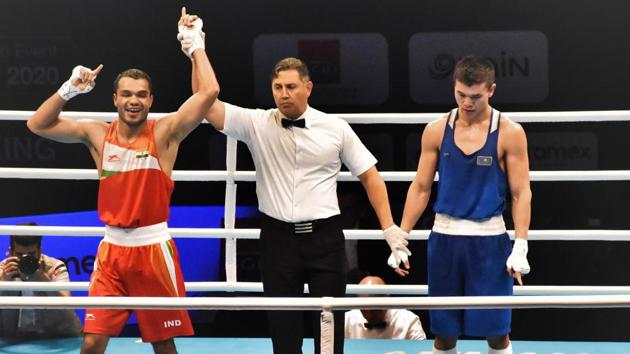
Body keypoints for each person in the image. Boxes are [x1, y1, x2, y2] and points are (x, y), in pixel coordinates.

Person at [26, 8, 219, 354]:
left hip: (153, 252)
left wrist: (194, 45)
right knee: (91, 344)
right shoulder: (96, 134)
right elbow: (37, 124)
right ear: (115, 98)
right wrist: (69, 89)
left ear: (150, 100)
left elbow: (209, 93)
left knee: (163, 345)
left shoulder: (165, 133)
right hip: (111, 252)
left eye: (141, 94)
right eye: (126, 94)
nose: (133, 101)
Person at [188, 55, 410, 354]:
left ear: (308, 87)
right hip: (277, 240)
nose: (283, 93)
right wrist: (196, 51)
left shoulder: (335, 127)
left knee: (329, 326)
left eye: (291, 86)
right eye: (277, 87)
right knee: (283, 330)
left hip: (325, 238)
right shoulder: (257, 122)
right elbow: (205, 102)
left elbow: (370, 176)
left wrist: (390, 229)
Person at [396, 55, 532, 354]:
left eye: (475, 96)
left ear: (491, 90)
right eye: (461, 95)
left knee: (497, 333)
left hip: (490, 242)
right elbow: (420, 187)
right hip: (444, 240)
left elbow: (521, 191)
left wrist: (520, 243)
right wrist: (401, 236)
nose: (467, 102)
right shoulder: (435, 129)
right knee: (445, 335)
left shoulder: (509, 132)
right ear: (454, 87)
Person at [0, 223, 83, 338]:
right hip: (13, 340)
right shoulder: (2, 270)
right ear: (10, 252)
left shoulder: (55, 267)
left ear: (40, 250)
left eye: (31, 254)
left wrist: (43, 280)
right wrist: (3, 283)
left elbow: (67, 311)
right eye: (19, 254)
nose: (25, 258)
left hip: (59, 337)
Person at [344, 275, 425, 340]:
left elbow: (422, 350)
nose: (369, 315)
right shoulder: (346, 321)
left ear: (387, 301)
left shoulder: (409, 321)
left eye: (374, 310)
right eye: (364, 309)